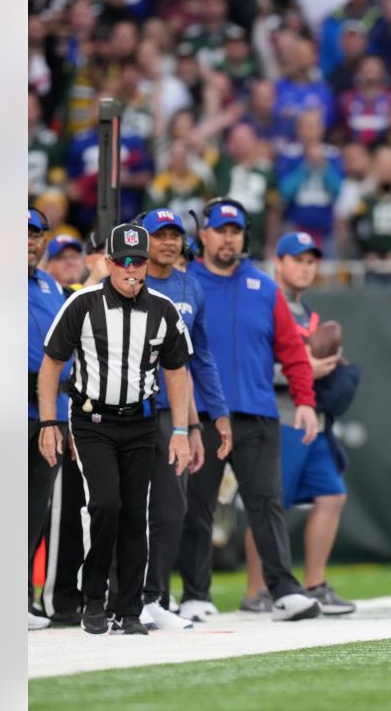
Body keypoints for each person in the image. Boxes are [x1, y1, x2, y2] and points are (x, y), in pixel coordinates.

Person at [36, 223, 194, 635]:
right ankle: (94, 597)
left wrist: (180, 430)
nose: (131, 269)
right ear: (107, 263)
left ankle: (127, 609)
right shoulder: (82, 304)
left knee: (134, 515)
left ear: (147, 263)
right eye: (122, 261)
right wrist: (49, 421)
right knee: (105, 505)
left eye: (137, 261)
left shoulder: (163, 309)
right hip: (92, 422)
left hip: (141, 422)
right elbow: (52, 363)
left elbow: (177, 372)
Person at [179, 200, 324, 623]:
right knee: (197, 506)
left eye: (236, 230)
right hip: (201, 415)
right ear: (203, 234)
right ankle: (194, 594)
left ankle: (283, 591)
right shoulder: (186, 284)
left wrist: (305, 402)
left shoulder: (265, 287)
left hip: (257, 413)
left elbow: (292, 351)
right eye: (221, 229)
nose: (229, 238)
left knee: (266, 504)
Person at [240, 231, 361, 615]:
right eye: (298, 260)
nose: (306, 268)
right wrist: (302, 368)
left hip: (313, 417)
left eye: (311, 261)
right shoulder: (263, 301)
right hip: (280, 416)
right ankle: (256, 590)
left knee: (332, 495)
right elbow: (251, 363)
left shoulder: (307, 312)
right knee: (270, 502)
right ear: (279, 263)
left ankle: (315, 583)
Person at [137, 208, 234, 631]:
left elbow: (201, 359)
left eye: (175, 235)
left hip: (172, 415)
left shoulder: (190, 287)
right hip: (127, 411)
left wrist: (211, 418)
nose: (169, 241)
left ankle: (154, 595)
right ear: (143, 240)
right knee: (125, 508)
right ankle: (125, 593)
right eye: (160, 235)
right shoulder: (129, 282)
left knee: (171, 509)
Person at [27, 208, 71, 631]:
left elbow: (65, 355)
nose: (29, 240)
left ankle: (21, 596)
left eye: (35, 233)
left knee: (34, 507)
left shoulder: (50, 286)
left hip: (46, 413)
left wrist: (64, 417)